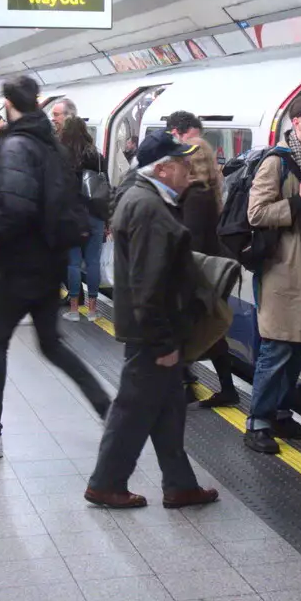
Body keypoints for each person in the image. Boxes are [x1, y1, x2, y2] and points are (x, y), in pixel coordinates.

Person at [0, 76, 111, 459]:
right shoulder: (51, 144)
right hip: (50, 260)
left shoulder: (17, 145)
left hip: (21, 263)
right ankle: (109, 409)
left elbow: (15, 208)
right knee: (52, 344)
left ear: (8, 103)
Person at [84, 133, 221, 510]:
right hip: (152, 331)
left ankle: (180, 484)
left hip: (153, 327)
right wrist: (163, 342)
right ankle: (106, 483)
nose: (189, 171)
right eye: (182, 164)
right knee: (133, 408)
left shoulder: (143, 198)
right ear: (162, 168)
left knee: (168, 406)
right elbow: (149, 281)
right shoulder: (148, 208)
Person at [243, 94, 301, 454]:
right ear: (296, 123)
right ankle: (257, 422)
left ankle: (280, 413)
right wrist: (300, 200)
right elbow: (257, 214)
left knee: (296, 348)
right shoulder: (276, 163)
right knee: (277, 347)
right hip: (281, 270)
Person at [168, 110, 237, 407]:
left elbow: (191, 240)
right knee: (203, 329)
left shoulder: (195, 195)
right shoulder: (209, 190)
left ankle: (186, 386)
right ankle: (224, 388)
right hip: (211, 265)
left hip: (200, 269)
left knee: (185, 326)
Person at [59, 115, 106, 321]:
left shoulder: (60, 156)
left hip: (70, 214)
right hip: (95, 212)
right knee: (93, 261)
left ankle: (74, 310)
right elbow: (105, 186)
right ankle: (93, 310)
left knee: (73, 263)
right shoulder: (96, 155)